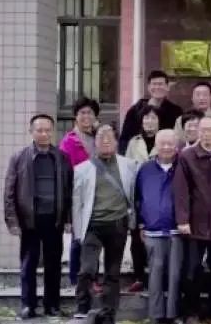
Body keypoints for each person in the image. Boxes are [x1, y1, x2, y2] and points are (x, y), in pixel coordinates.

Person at [4, 114, 73, 319]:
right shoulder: (19, 157)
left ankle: (52, 305)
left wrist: (68, 218)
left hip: (54, 219)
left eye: (47, 130)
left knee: (53, 264)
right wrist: (12, 221)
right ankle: (28, 305)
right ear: (31, 132)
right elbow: (9, 192)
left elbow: (69, 191)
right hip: (30, 220)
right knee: (29, 264)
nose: (44, 134)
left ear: (53, 132)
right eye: (39, 130)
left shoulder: (62, 157)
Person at [72, 125, 137, 324]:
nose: (105, 141)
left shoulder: (129, 165)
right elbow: (77, 202)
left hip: (118, 224)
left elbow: (134, 195)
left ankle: (109, 313)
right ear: (95, 142)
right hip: (92, 225)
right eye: (101, 137)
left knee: (112, 272)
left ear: (117, 142)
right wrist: (77, 231)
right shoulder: (82, 169)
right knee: (87, 269)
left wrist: (133, 221)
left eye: (110, 137)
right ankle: (83, 306)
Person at [174, 116, 211, 324]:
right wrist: (182, 219)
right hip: (194, 224)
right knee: (192, 270)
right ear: (198, 133)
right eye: (203, 130)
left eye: (210, 130)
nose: (207, 134)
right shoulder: (187, 156)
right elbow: (181, 190)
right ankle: (191, 312)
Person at [135, 130, 184, 324]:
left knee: (175, 275)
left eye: (170, 143)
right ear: (156, 145)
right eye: (162, 143)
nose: (166, 147)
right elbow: (138, 198)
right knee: (155, 274)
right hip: (152, 230)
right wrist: (140, 223)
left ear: (176, 146)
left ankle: (172, 314)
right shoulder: (145, 169)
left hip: (177, 230)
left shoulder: (183, 167)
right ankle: (156, 315)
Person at [59, 97, 100, 290]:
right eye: (82, 113)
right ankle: (76, 279)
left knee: (95, 239)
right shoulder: (69, 141)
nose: (86, 116)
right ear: (75, 116)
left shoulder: (98, 138)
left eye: (90, 113)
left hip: (97, 196)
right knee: (78, 239)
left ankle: (92, 278)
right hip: (77, 198)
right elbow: (64, 174)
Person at [125, 105, 161, 292]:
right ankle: (139, 275)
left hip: (158, 193)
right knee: (136, 237)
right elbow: (128, 167)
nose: (149, 121)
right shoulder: (134, 142)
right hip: (138, 193)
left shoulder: (164, 139)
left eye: (153, 118)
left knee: (157, 236)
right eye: (146, 118)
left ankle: (157, 276)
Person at [118, 70, 183, 154]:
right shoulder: (135, 110)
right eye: (154, 84)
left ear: (167, 87)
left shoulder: (175, 111)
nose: (157, 87)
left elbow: (179, 138)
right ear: (148, 87)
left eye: (160, 84)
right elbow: (124, 138)